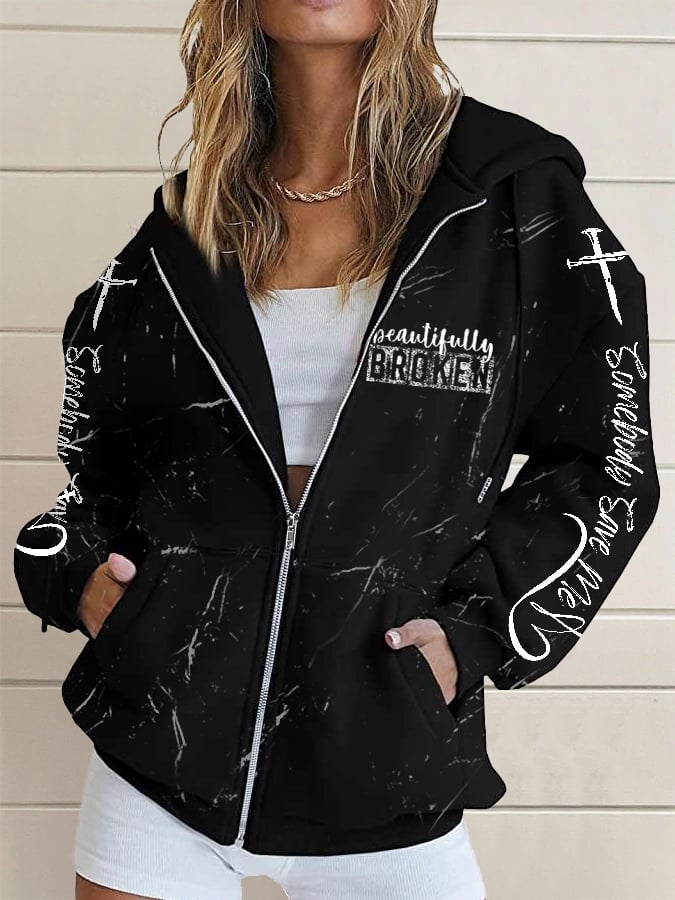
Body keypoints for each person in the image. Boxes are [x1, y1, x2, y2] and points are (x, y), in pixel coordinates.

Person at [13, 1, 660, 898]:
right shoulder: (187, 221)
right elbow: (102, 451)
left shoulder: (504, 196)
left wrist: (470, 638)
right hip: (163, 753)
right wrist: (81, 576)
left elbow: (604, 463)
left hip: (381, 751)